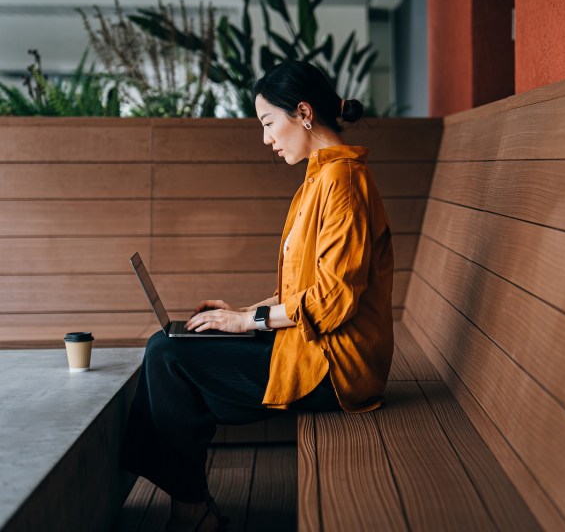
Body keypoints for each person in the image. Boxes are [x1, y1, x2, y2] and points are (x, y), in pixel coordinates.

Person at [120, 61, 394, 532]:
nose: (267, 139)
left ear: (304, 112)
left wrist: (249, 324)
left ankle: (191, 510)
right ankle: (191, 503)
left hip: (337, 367)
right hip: (313, 344)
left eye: (269, 123)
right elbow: (303, 289)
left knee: (167, 357)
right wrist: (243, 312)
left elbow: (332, 302)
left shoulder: (341, 182)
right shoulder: (319, 178)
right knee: (173, 349)